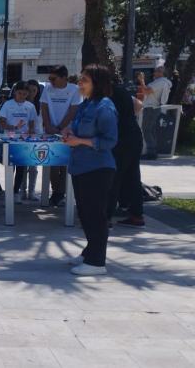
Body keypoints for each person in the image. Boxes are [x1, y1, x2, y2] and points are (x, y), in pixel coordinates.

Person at [62, 64, 118, 276]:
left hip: (98, 168)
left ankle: (97, 262)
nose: (80, 84)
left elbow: (110, 140)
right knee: (85, 213)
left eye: (85, 80)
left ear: (97, 83)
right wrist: (69, 131)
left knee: (96, 215)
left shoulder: (105, 107)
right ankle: (89, 252)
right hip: (81, 167)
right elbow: (78, 129)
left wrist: (80, 141)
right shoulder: (86, 105)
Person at [40, 65, 82, 206]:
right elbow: (44, 107)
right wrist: (48, 125)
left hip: (67, 132)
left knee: (65, 164)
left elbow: (73, 110)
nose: (51, 81)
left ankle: (60, 193)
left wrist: (59, 127)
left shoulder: (74, 90)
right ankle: (56, 191)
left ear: (64, 78)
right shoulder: (47, 89)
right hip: (50, 132)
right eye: (49, 78)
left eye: (54, 78)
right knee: (51, 163)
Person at [107, 79, 145, 228]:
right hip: (134, 135)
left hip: (120, 138)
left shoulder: (106, 94)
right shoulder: (121, 91)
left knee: (112, 177)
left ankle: (106, 217)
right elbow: (139, 105)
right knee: (133, 177)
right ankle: (137, 215)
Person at [0, 81, 38, 204]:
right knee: (10, 167)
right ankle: (9, 191)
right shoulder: (7, 104)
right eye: (20, 93)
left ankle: (16, 192)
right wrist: (14, 128)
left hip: (24, 141)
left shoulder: (30, 106)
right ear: (15, 92)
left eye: (25, 94)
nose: (22, 96)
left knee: (21, 168)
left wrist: (31, 133)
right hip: (10, 139)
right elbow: (2, 122)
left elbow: (32, 124)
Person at [139, 66, 172, 159]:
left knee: (147, 129)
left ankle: (151, 153)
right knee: (151, 130)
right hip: (154, 107)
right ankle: (152, 151)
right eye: (156, 70)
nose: (155, 72)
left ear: (162, 73)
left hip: (151, 107)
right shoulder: (163, 82)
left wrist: (141, 80)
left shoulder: (160, 82)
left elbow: (146, 91)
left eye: (158, 71)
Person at [23, 79, 45, 201]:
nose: (32, 93)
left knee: (33, 168)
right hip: (23, 139)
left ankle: (31, 192)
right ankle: (22, 191)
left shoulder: (41, 105)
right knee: (22, 167)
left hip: (37, 139)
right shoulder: (22, 104)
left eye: (34, 90)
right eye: (29, 90)